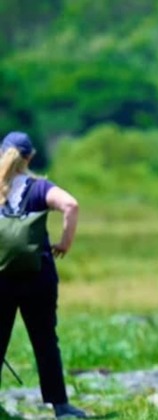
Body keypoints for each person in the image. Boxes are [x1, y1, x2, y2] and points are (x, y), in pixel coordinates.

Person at [0, 132, 87, 419]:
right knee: (45, 341)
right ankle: (60, 405)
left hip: (1, 279)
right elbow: (71, 205)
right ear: (30, 157)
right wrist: (64, 243)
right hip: (38, 278)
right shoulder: (39, 188)